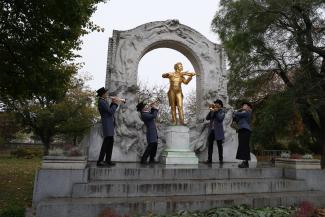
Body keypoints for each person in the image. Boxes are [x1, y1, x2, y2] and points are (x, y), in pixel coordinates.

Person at [96, 87, 119, 167]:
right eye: (106, 93)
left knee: (110, 143)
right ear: (103, 94)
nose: (107, 94)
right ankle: (100, 161)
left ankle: (108, 160)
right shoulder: (101, 101)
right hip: (107, 124)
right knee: (106, 143)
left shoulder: (103, 101)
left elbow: (108, 109)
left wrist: (113, 103)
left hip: (109, 124)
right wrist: (115, 104)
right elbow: (110, 111)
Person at [136, 100, 159, 164]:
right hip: (150, 131)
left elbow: (152, 113)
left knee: (155, 145)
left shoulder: (146, 113)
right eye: (145, 106)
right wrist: (155, 108)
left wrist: (152, 107)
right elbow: (153, 116)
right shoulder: (144, 114)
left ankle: (152, 159)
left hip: (153, 130)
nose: (146, 106)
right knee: (151, 145)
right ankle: (143, 159)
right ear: (142, 108)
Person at [205, 99, 225, 164]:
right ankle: (209, 159)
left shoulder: (222, 111)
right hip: (212, 131)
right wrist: (211, 111)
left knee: (219, 146)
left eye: (216, 103)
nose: (215, 104)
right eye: (215, 103)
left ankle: (221, 160)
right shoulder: (213, 110)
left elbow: (220, 119)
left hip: (218, 130)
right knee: (210, 145)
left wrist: (216, 112)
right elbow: (207, 118)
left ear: (220, 105)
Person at [233, 102, 253, 168]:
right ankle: (245, 162)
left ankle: (245, 162)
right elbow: (236, 118)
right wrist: (234, 114)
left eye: (245, 105)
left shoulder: (247, 112)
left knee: (244, 146)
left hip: (245, 130)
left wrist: (236, 111)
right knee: (243, 146)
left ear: (249, 107)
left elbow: (236, 114)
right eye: (243, 105)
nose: (243, 106)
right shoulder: (243, 113)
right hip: (242, 130)